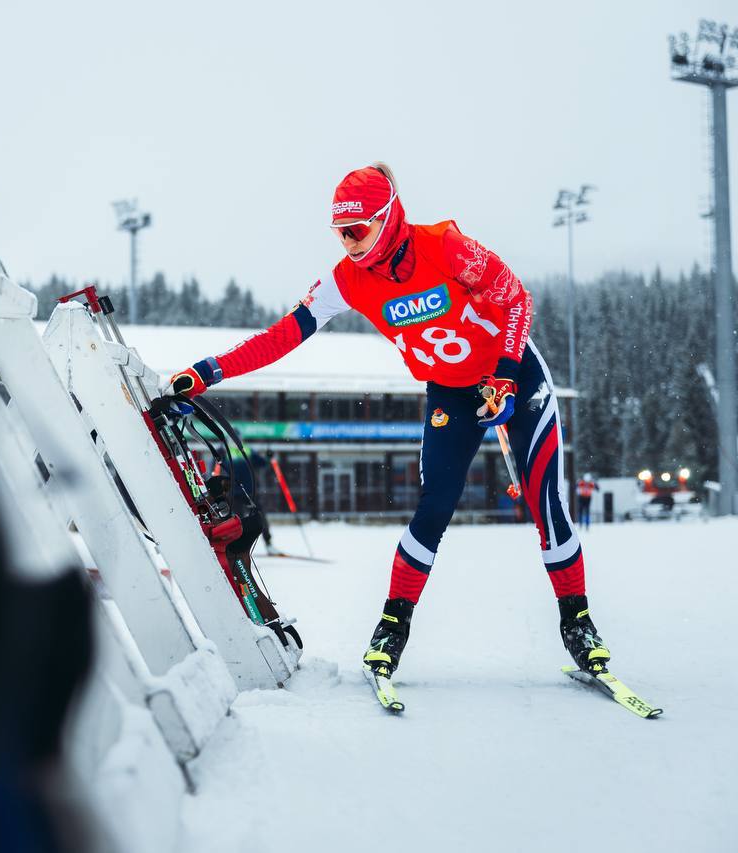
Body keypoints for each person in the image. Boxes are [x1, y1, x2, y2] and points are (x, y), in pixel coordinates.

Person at [166, 163, 610, 681]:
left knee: (546, 500)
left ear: (388, 217)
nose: (349, 243)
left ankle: (577, 622)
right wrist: (209, 371)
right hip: (451, 390)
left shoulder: (445, 248)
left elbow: (516, 299)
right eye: (340, 233)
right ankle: (391, 628)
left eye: (357, 230)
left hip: (514, 376)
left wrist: (507, 376)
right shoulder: (347, 280)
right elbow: (284, 335)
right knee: (435, 505)